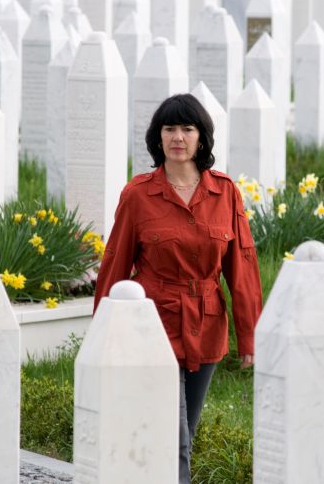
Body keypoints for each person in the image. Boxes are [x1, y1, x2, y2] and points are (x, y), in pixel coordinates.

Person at [93, 93, 263, 483]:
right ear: (158, 137)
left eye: (188, 128)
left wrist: (249, 337)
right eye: (170, 128)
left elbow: (242, 268)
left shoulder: (225, 193)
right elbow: (115, 262)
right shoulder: (138, 195)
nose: (178, 137)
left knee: (180, 427)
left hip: (206, 326)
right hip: (152, 325)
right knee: (176, 439)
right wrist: (103, 333)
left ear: (202, 137)